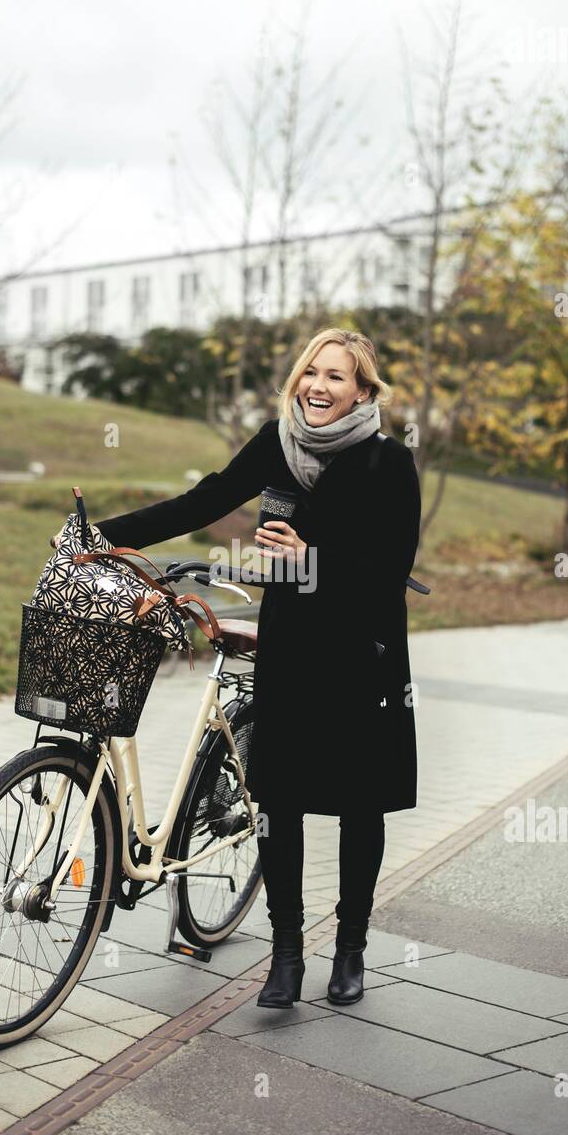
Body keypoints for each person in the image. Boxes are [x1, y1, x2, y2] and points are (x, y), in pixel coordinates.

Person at [68, 328, 421, 1010]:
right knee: (280, 800)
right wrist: (101, 536)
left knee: (357, 804)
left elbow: (389, 571)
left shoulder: (387, 464)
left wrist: (308, 559)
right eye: (310, 372)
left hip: (361, 649)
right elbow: (204, 500)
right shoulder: (277, 443)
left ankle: (350, 950)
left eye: (336, 377)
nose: (318, 386)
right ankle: (284, 954)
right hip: (291, 644)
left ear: (363, 391)